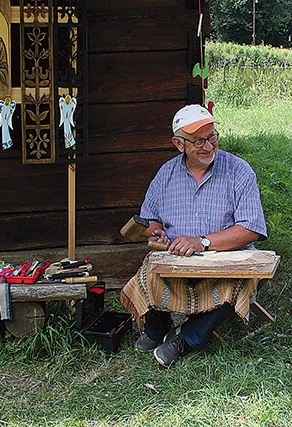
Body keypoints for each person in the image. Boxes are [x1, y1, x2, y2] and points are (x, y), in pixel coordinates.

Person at [119, 104, 267, 368]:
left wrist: (202, 242)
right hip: (177, 260)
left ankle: (187, 338)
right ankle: (158, 327)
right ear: (179, 144)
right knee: (148, 269)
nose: (208, 146)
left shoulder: (239, 170)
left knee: (240, 282)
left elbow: (251, 228)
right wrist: (156, 233)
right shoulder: (166, 174)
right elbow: (150, 219)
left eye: (212, 137)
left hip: (226, 259)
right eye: (199, 141)